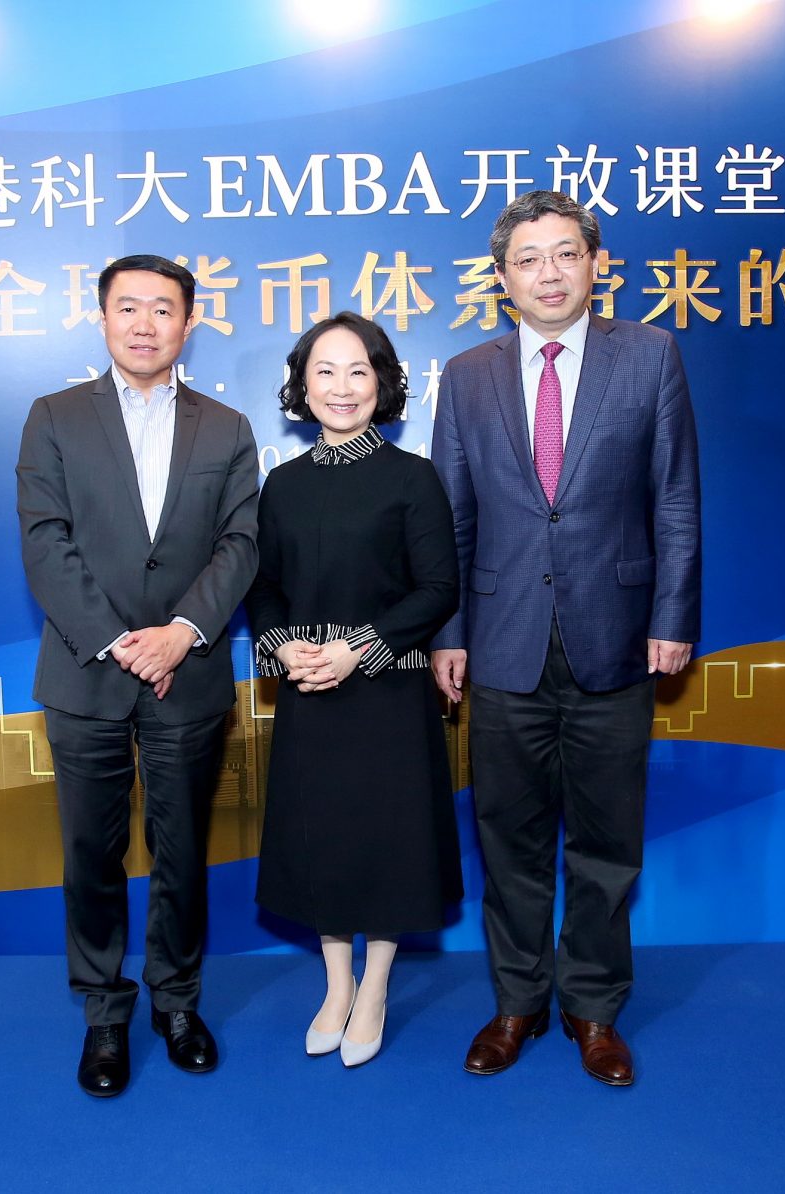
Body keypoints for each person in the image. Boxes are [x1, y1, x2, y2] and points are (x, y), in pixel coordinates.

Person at [430, 190, 700, 1087]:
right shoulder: (466, 375)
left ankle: (593, 1009)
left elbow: (674, 500)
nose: (549, 272)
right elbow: (453, 519)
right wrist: (450, 632)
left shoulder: (652, 355)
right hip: (501, 642)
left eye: (565, 253)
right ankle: (517, 1004)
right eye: (528, 259)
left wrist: (672, 618)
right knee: (507, 837)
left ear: (596, 262)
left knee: (605, 840)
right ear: (503, 279)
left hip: (615, 638)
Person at [16, 253, 261, 1097]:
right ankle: (104, 1014)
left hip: (185, 674)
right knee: (91, 849)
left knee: (182, 846)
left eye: (164, 309)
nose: (146, 324)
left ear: (189, 323)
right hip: (88, 673)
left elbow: (242, 543)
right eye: (130, 308)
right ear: (103, 317)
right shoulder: (52, 417)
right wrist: (122, 640)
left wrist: (183, 632)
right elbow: (45, 542)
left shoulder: (226, 428)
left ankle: (178, 1000)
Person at [245, 313, 462, 1068]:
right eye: (325, 372)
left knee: (387, 843)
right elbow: (264, 589)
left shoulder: (413, 477)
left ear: (383, 382)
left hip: (388, 694)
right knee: (323, 842)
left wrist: (354, 650)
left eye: (358, 371)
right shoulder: (283, 484)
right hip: (309, 692)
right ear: (303, 387)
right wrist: (287, 651)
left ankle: (374, 988)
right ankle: (336, 986)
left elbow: (438, 589)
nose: (342, 387)